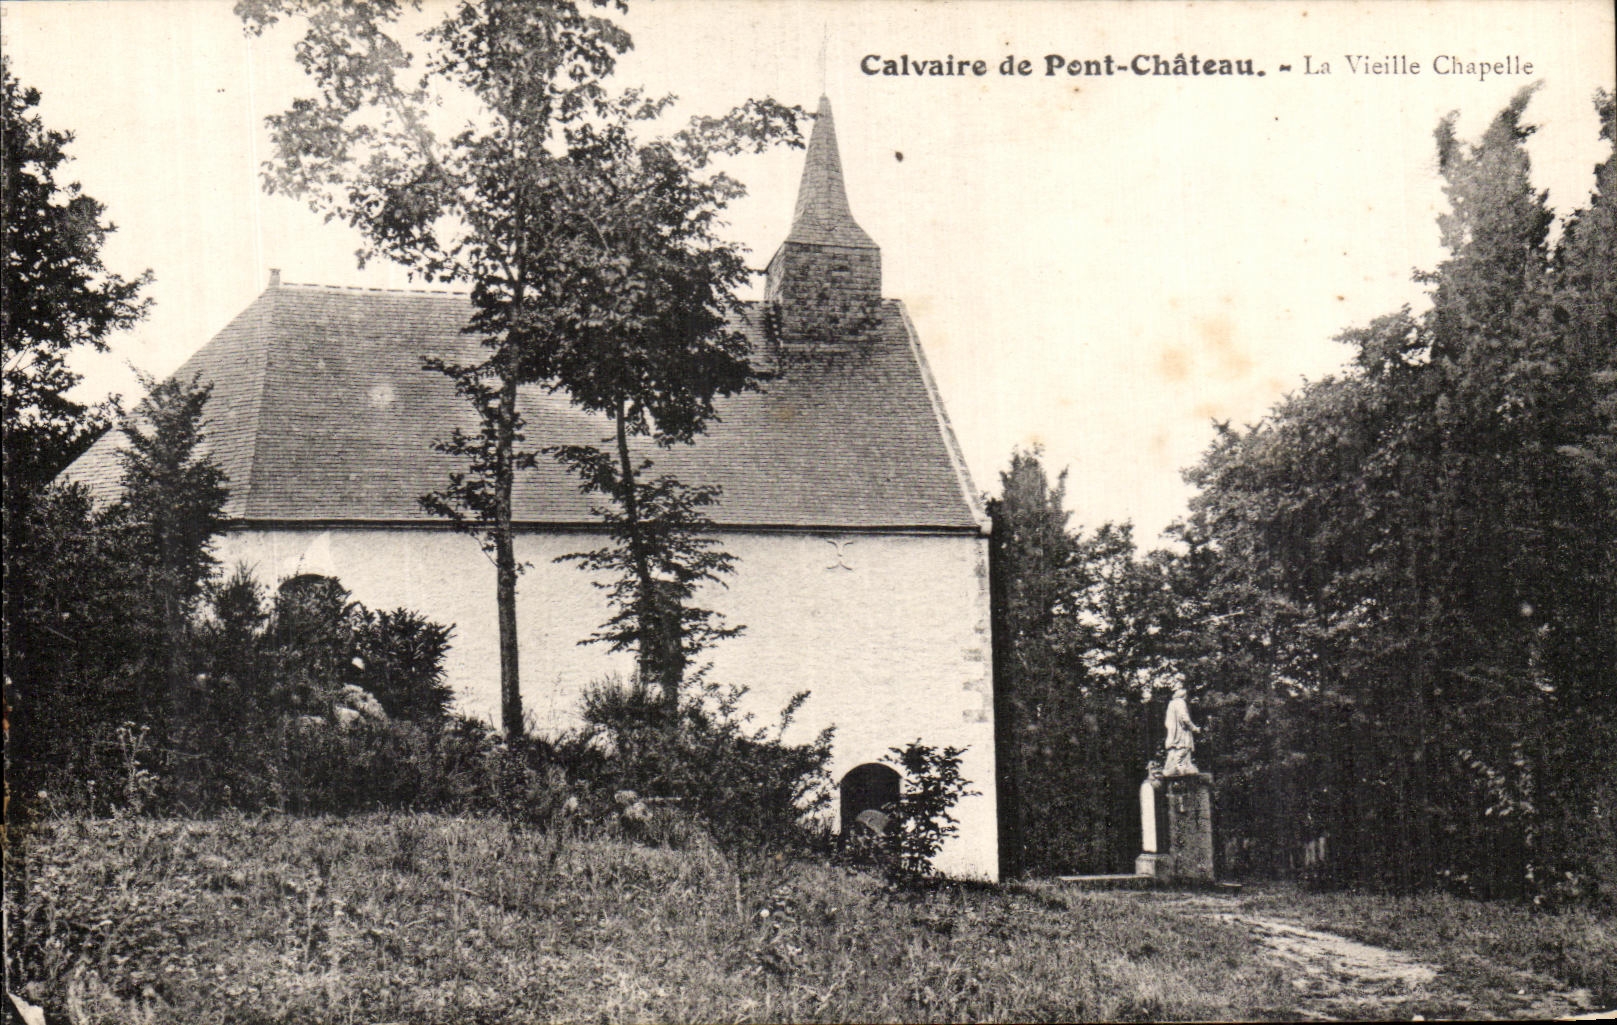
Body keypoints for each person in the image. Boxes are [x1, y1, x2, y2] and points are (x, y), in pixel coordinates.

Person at [1163, 684, 1200, 775]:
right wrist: (1194, 728)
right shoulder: (1181, 703)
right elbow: (1185, 718)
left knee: (1174, 750)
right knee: (1185, 747)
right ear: (1183, 695)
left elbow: (1167, 721)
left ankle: (1172, 767)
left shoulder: (1171, 703)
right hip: (1182, 731)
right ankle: (1179, 766)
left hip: (1173, 732)